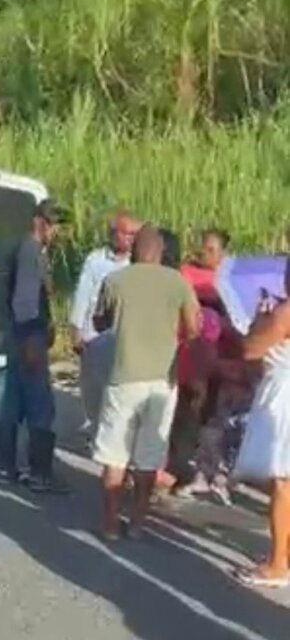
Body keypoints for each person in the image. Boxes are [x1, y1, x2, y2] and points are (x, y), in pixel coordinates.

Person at [93, 224, 201, 539]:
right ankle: (137, 525)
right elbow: (193, 329)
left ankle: (110, 525)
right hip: (162, 382)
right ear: (161, 252)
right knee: (148, 458)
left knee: (115, 457)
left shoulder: (115, 280)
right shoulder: (178, 282)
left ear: (134, 251)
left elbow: (100, 322)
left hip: (123, 377)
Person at [0, 198, 70, 494]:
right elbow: (24, 301)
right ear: (40, 222)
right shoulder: (30, 252)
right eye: (54, 225)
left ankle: (6, 467)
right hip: (28, 337)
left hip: (19, 337)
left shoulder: (31, 250)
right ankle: (39, 473)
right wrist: (31, 343)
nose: (57, 232)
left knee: (13, 403)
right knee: (40, 407)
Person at [231, 262, 290, 588]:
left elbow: (251, 349)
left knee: (282, 481)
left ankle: (278, 564)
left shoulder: (284, 313)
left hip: (284, 396)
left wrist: (259, 319)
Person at [68, 210, 138, 438]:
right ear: (113, 233)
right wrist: (75, 329)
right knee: (93, 389)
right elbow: (83, 294)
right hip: (94, 336)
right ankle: (94, 425)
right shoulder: (96, 260)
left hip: (123, 337)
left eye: (134, 235)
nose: (130, 239)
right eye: (126, 233)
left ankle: (111, 433)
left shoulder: (137, 264)